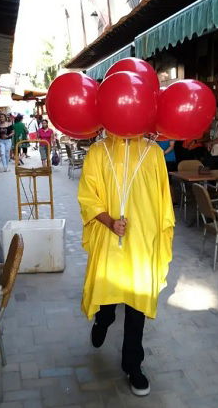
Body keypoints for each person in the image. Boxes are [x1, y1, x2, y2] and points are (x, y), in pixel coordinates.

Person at [78, 134, 175, 396]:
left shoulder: (153, 152)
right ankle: (103, 319)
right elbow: (88, 196)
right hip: (109, 240)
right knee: (108, 298)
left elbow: (162, 198)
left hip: (141, 241)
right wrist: (109, 221)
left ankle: (133, 365)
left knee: (136, 306)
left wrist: (157, 236)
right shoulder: (98, 151)